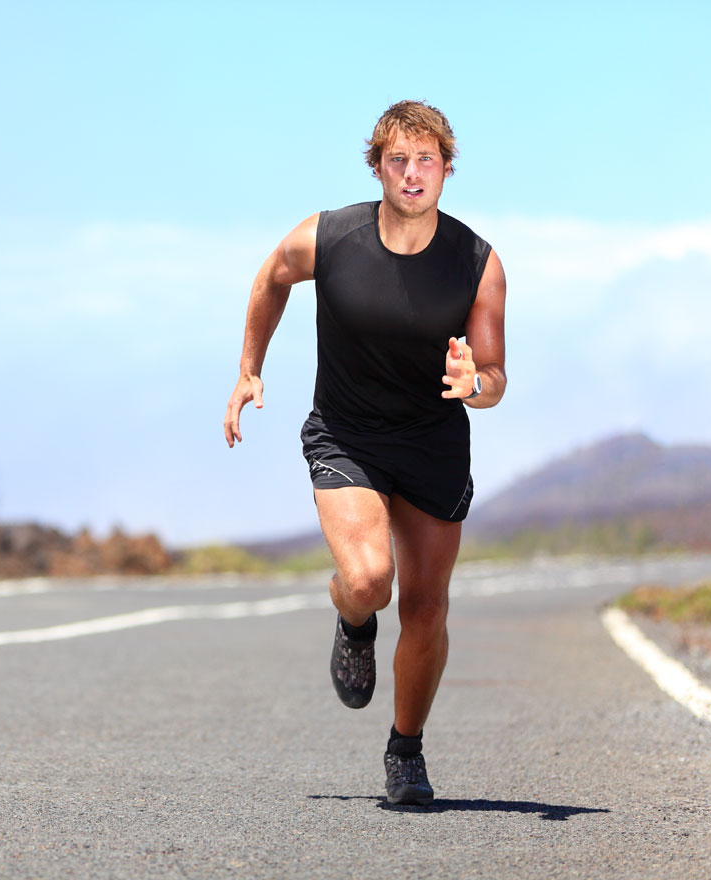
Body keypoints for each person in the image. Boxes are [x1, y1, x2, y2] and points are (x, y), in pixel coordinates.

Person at [222, 100, 507, 806]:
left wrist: (477, 385)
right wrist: (250, 368)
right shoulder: (330, 237)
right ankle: (353, 618)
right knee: (370, 578)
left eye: (427, 160)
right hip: (347, 435)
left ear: (446, 169)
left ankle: (404, 751)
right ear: (377, 166)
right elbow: (270, 277)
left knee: (428, 610)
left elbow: (496, 376)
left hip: (433, 444)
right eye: (399, 160)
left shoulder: (477, 262)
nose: (413, 174)